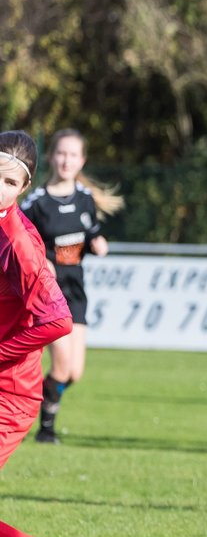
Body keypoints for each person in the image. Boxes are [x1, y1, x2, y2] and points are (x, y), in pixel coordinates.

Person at [0, 129, 92, 537]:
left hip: (8, 394)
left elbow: (55, 321)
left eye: (8, 180)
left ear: (22, 187)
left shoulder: (18, 241)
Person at [20, 129, 122, 444]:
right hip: (47, 294)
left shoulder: (85, 199)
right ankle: (45, 428)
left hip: (76, 292)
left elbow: (87, 235)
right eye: (61, 153)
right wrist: (41, 261)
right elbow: (17, 241)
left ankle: (31, 400)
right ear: (51, 157)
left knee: (74, 372)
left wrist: (96, 242)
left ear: (82, 161)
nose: (66, 160)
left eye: (73, 155)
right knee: (61, 366)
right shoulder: (37, 203)